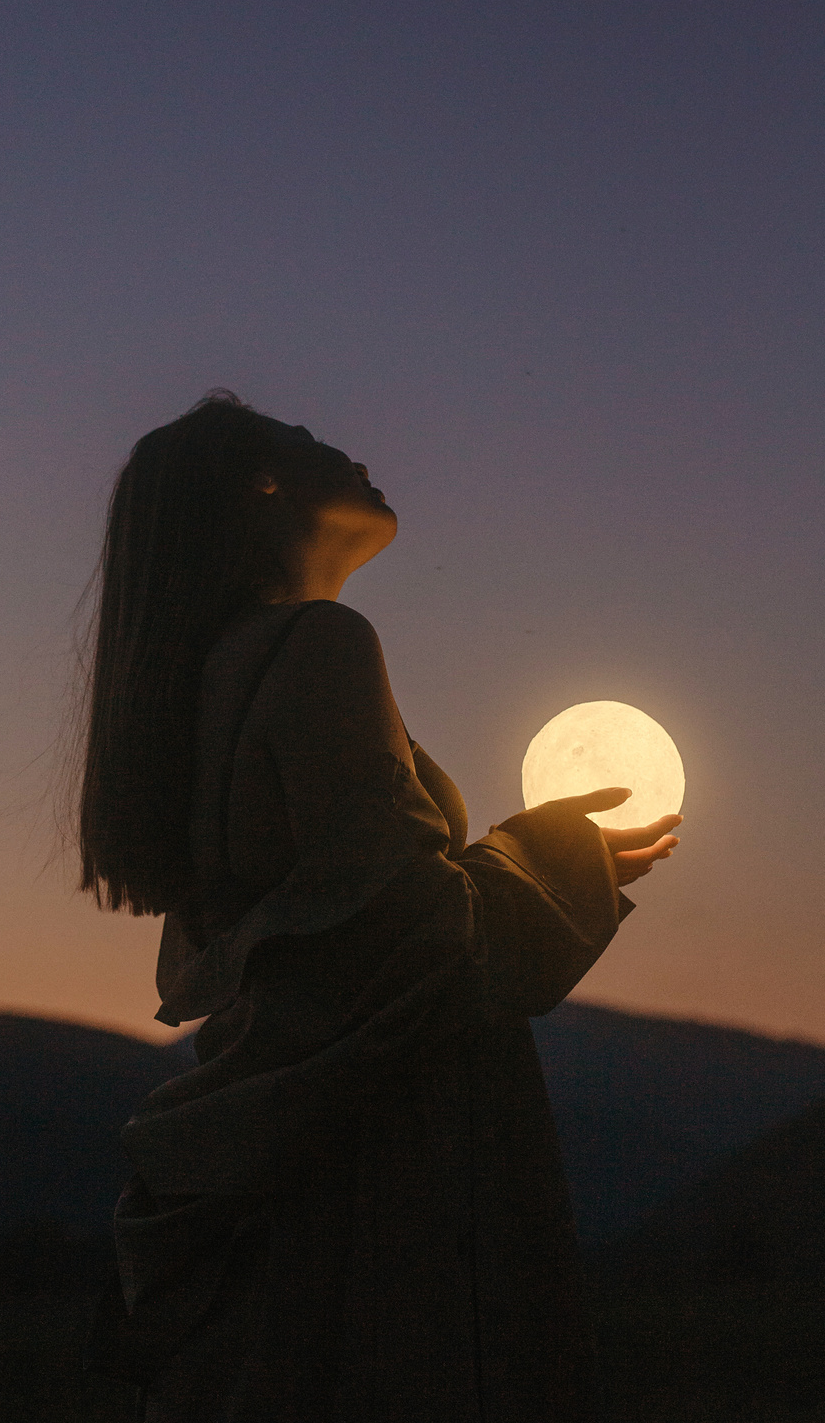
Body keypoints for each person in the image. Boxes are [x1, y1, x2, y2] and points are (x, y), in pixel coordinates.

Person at [77, 391, 680, 1423]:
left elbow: (338, 930)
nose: (351, 451)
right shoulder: (319, 645)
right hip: (385, 1158)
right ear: (263, 486)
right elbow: (415, 939)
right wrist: (556, 860)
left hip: (294, 1151)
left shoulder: (207, 681)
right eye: (309, 441)